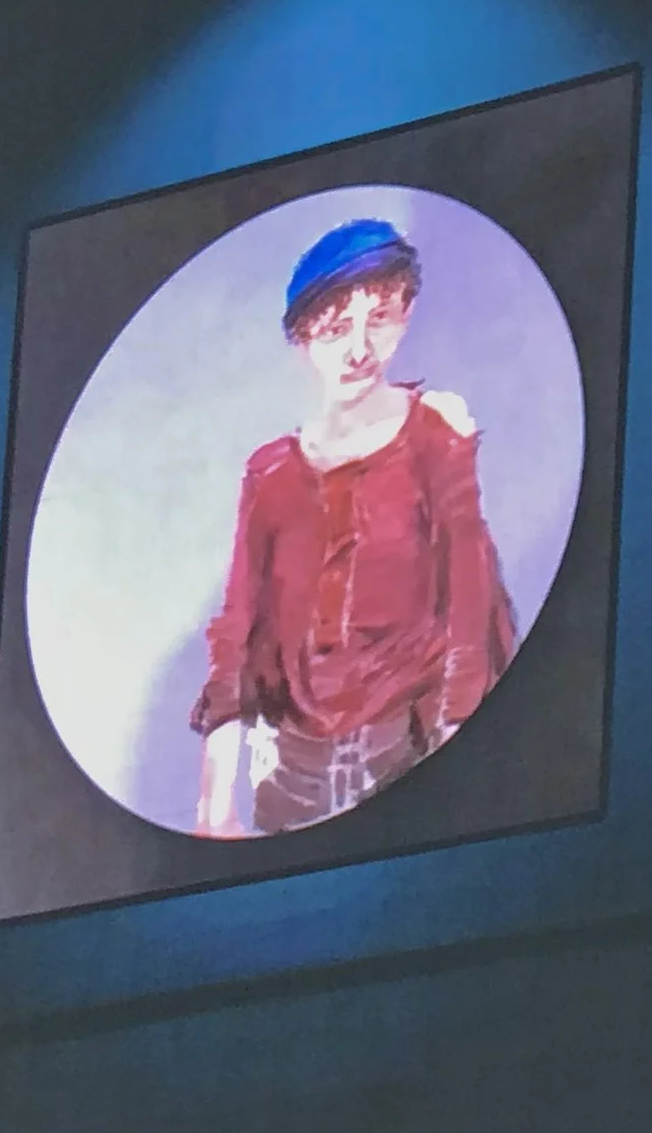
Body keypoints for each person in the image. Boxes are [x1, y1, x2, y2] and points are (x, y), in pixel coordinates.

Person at [192, 218, 516, 838]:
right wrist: (214, 803)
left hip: (407, 759)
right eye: (336, 329)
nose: (360, 350)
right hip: (291, 781)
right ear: (303, 339)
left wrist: (461, 771)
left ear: (406, 315)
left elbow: (469, 610)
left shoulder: (436, 436)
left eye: (380, 319)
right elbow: (237, 629)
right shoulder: (271, 473)